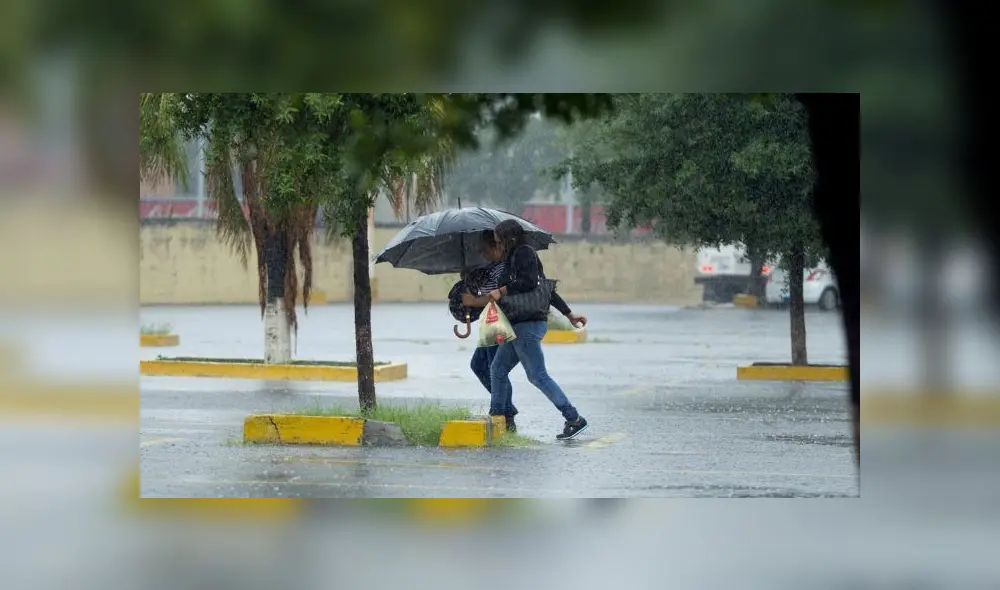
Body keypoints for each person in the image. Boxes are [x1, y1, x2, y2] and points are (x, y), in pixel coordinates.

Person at [487, 219, 589, 440]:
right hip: (518, 325)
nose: (497, 244)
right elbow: (546, 289)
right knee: (497, 369)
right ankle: (497, 417)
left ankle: (574, 418)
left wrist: (502, 291)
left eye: (499, 239)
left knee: (537, 375)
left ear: (508, 237)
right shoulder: (513, 257)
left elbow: (532, 283)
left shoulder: (524, 253)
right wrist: (570, 315)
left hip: (528, 324)